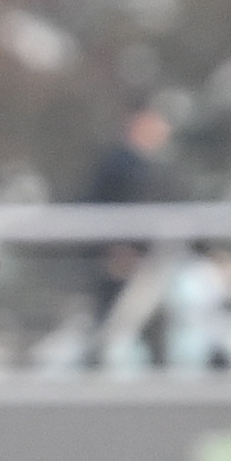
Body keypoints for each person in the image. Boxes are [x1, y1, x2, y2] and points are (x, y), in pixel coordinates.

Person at [80, 104, 180, 370]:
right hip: (123, 266)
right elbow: (97, 209)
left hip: (154, 264)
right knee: (112, 327)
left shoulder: (158, 167)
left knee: (155, 330)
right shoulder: (117, 164)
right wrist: (114, 250)